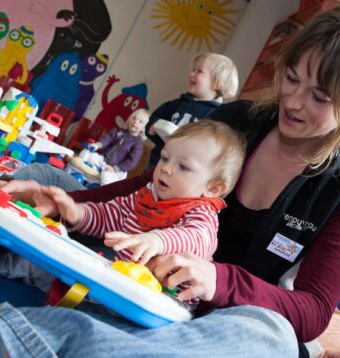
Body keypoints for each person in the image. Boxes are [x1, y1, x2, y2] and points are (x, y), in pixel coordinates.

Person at [0, 4, 340, 357]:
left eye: (319, 98)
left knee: (274, 338)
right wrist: (72, 206)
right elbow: (145, 188)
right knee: (41, 177)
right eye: (291, 79)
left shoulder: (333, 189)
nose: (293, 101)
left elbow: (315, 310)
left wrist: (219, 280)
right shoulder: (239, 120)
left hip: (210, 315)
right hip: (133, 255)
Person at [31, 120, 244, 306]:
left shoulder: (202, 212)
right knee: (57, 270)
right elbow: (109, 216)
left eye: (183, 167)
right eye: (165, 158)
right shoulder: (146, 195)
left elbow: (196, 238)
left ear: (213, 188)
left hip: (163, 301)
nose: (166, 169)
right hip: (119, 280)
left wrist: (157, 240)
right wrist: (77, 213)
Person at [145, 52, 238, 168]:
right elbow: (154, 119)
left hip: (184, 170)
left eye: (199, 71)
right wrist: (154, 125)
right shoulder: (177, 104)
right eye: (193, 69)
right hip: (157, 162)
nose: (191, 74)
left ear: (217, 82)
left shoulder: (218, 116)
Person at [68, 108, 150, 185]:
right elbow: (107, 139)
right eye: (134, 118)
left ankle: (103, 193)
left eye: (140, 122)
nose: (135, 122)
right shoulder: (118, 132)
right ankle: (75, 173)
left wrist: (116, 168)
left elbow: (132, 162)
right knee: (89, 155)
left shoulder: (137, 144)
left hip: (118, 170)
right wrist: (98, 145)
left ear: (144, 128)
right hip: (104, 161)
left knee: (105, 174)